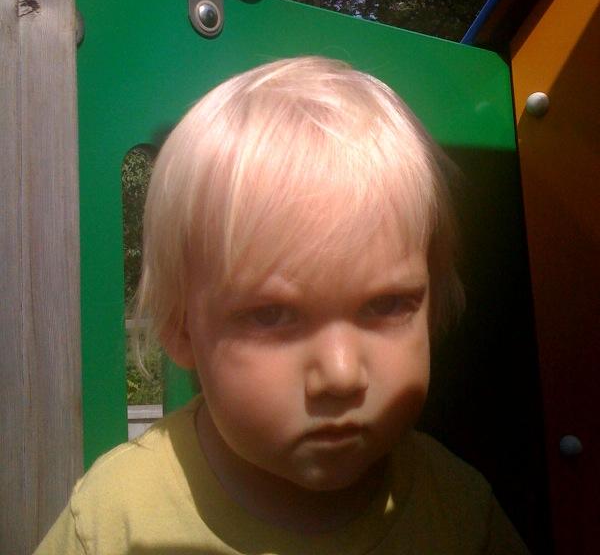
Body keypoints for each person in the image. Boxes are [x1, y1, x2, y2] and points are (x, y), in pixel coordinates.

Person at [35, 56, 530, 554]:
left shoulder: (460, 512)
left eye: (387, 304)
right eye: (271, 314)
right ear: (181, 327)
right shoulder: (116, 522)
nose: (341, 375)